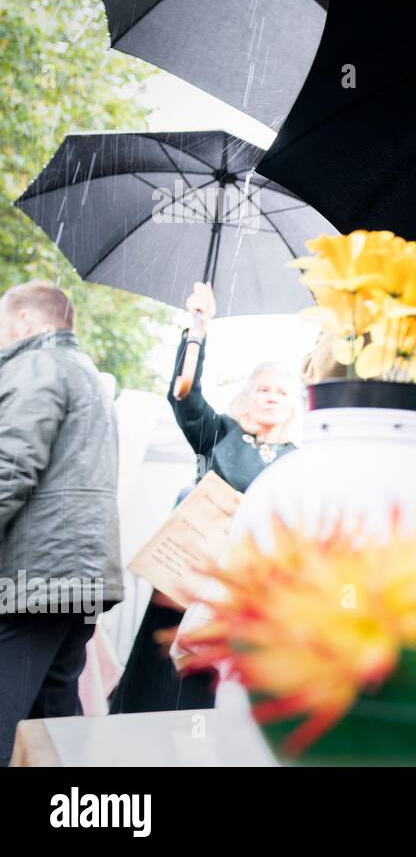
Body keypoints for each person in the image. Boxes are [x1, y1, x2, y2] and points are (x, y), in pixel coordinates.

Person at [110, 282, 301, 714]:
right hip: (189, 578)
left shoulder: (296, 462)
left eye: (281, 392)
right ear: (248, 396)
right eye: (263, 389)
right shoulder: (220, 434)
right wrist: (197, 329)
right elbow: (185, 396)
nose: (271, 397)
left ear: (293, 406)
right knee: (163, 674)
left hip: (244, 592)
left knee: (214, 684)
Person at [0, 281, 122, 766]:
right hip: (80, 578)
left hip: (37, 576)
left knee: (9, 712)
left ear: (28, 321)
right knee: (53, 718)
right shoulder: (85, 372)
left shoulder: (37, 364)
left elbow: (10, 465)